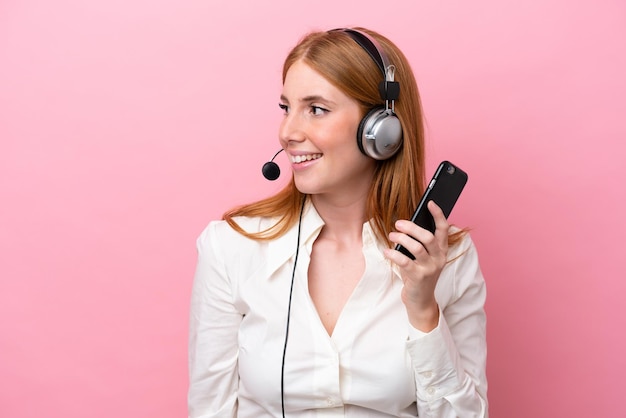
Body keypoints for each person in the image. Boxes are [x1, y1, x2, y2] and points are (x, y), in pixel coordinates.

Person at [188, 27, 488, 418]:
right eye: (286, 108)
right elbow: (209, 409)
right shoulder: (232, 247)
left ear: (382, 128)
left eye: (316, 109)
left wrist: (423, 310)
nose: (288, 132)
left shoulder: (447, 259)